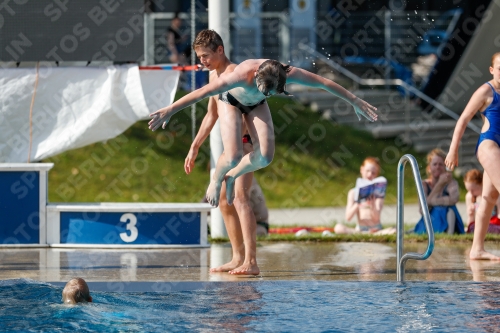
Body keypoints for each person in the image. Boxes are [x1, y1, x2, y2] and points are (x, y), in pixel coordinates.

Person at [149, 58, 378, 210]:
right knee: (233, 155)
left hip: (255, 104)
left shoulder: (288, 73)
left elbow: (325, 83)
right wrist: (171, 109)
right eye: (264, 90)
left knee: (265, 157)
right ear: (257, 76)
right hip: (231, 101)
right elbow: (202, 92)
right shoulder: (237, 77)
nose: (269, 93)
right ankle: (217, 179)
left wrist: (355, 100)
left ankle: (232, 176)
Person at [184, 29, 265, 275]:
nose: (202, 61)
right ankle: (237, 256)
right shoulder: (213, 77)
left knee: (240, 197)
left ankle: (251, 262)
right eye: (199, 57)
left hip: (246, 142)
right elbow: (212, 114)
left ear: (220, 50)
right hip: (231, 147)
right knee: (223, 200)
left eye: (206, 56)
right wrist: (195, 145)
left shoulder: (236, 74)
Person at [446, 52, 500, 260]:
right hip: (489, 145)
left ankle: (476, 249)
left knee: (488, 198)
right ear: (492, 70)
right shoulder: (486, 91)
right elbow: (463, 119)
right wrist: (453, 149)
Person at [334, 157, 396, 235]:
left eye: (373, 173)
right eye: (367, 171)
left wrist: (372, 203)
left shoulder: (378, 194)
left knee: (395, 230)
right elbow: (348, 217)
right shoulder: (353, 192)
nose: (370, 174)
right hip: (360, 229)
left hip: (376, 228)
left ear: (377, 174)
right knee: (338, 228)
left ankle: (372, 234)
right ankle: (367, 234)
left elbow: (376, 218)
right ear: (362, 170)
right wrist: (358, 202)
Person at [414, 148, 464, 234]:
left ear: (445, 167)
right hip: (430, 221)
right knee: (438, 209)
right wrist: (439, 185)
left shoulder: (452, 183)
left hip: (451, 221)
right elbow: (422, 210)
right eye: (435, 164)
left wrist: (430, 202)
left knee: (450, 209)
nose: (438, 167)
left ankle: (449, 234)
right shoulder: (424, 184)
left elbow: (454, 200)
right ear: (429, 168)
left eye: (441, 164)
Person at [463, 169, 500, 234]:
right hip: (478, 225)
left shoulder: (493, 194)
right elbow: (470, 222)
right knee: (471, 228)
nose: (471, 193)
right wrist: (470, 215)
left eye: (473, 190)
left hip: (494, 223)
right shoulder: (469, 196)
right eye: (468, 190)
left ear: (481, 184)